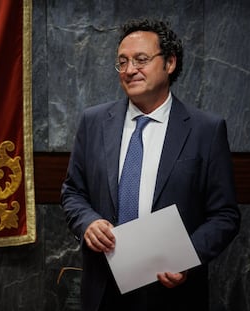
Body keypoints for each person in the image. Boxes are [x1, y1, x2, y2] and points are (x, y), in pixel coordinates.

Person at [61, 18, 240, 311]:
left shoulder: (205, 130)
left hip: (174, 291)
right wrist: (87, 222)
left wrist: (187, 257)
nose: (130, 70)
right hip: (104, 289)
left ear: (169, 63)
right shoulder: (93, 123)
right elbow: (72, 192)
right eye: (122, 62)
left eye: (141, 60)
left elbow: (225, 214)